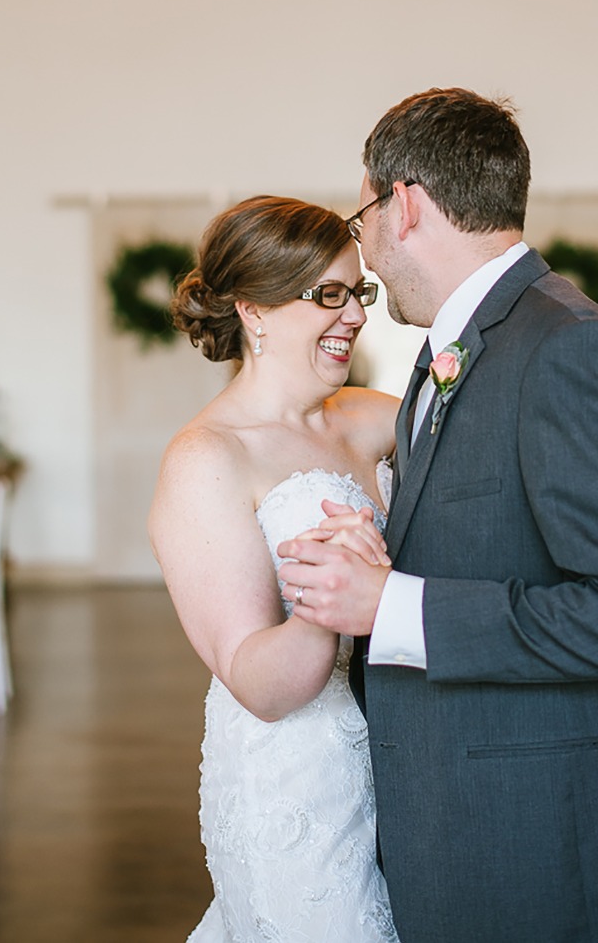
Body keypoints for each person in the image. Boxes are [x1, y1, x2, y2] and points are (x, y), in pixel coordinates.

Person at [277, 87, 598, 943]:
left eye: (364, 213)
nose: (364, 248)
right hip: (476, 821)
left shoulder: (565, 345)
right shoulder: (469, 343)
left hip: (552, 845)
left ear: (404, 204)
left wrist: (392, 606)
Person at [147, 196, 401, 943]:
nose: (353, 314)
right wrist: (330, 597)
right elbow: (257, 683)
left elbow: (478, 415)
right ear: (254, 310)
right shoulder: (207, 458)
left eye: (360, 292)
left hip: (399, 754)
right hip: (296, 782)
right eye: (328, 294)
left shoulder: (368, 416)